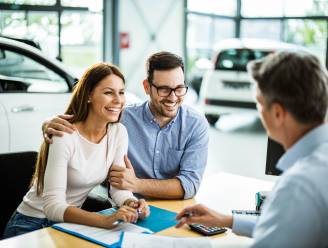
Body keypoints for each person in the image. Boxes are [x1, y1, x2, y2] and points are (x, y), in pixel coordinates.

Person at [176, 50, 328, 248]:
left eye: (259, 103)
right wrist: (227, 220)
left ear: (278, 113)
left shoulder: (299, 186)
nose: (259, 110)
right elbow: (290, 226)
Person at [3, 63, 150, 239]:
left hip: (68, 224)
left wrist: (130, 202)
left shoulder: (119, 133)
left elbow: (118, 187)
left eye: (121, 92)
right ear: (88, 95)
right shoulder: (64, 135)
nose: (118, 100)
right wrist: (105, 220)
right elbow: (52, 207)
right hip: (31, 224)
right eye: (108, 92)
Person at [42, 52, 209, 200]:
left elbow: (189, 185)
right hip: (127, 205)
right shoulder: (122, 118)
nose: (173, 97)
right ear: (146, 87)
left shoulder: (195, 124)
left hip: (175, 209)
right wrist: (47, 123)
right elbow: (84, 121)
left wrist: (137, 184)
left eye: (179, 88)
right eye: (164, 89)